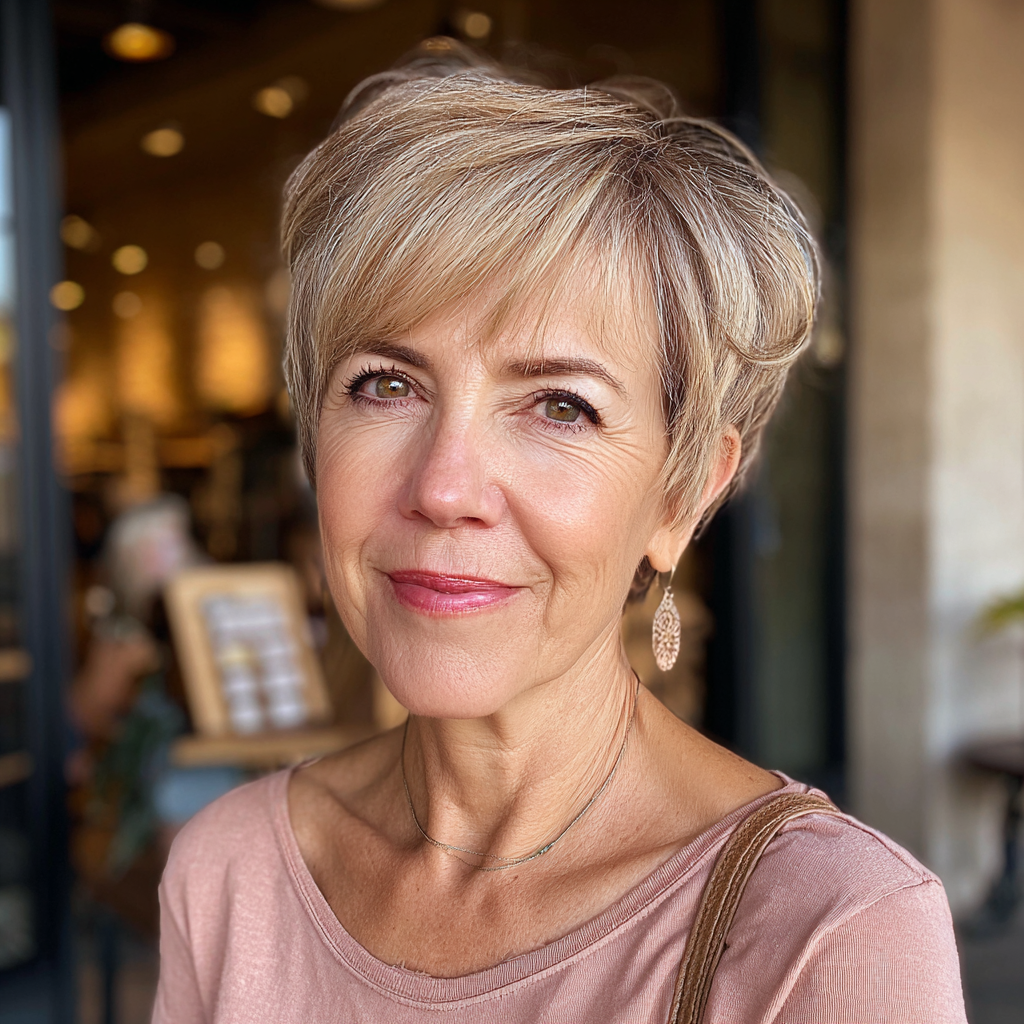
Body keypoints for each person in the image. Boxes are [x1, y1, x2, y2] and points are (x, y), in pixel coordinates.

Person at [152, 43, 967, 1023]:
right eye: (387, 384)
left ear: (680, 495)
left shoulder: (827, 929)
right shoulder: (230, 871)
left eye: (559, 406)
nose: (444, 488)